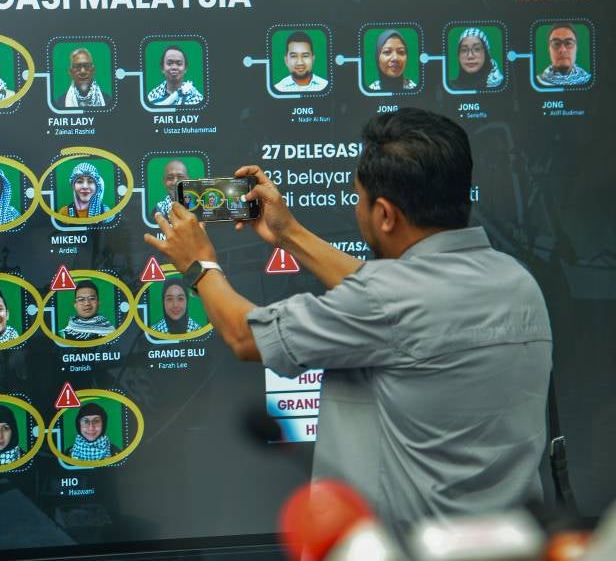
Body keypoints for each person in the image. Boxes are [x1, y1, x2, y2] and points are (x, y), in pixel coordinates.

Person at [145, 108, 552, 537]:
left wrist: (199, 264)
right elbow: (396, 299)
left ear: (385, 215)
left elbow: (246, 337)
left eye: (358, 199)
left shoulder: (385, 301)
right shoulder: (518, 282)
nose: (356, 209)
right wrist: (289, 234)